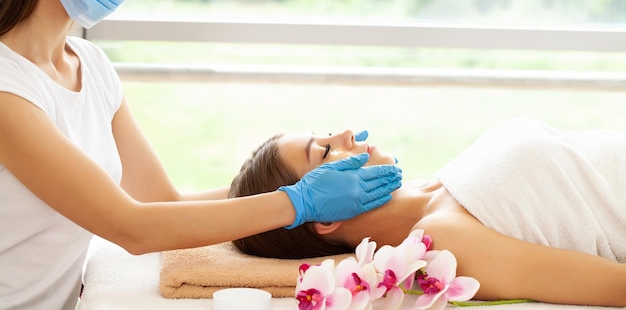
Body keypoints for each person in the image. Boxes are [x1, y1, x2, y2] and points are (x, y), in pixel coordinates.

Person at [0, 0, 403, 309]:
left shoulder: (91, 67)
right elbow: (131, 227)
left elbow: (162, 202)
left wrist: (291, 182)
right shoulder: (7, 89)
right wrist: (299, 202)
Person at [229, 118, 626, 307]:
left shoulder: (434, 185)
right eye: (326, 151)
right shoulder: (448, 241)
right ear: (326, 216)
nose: (347, 134)